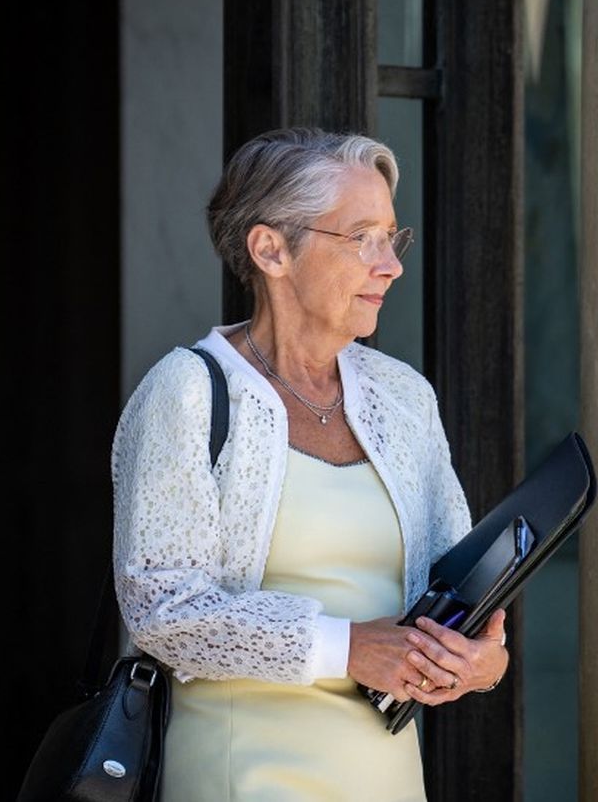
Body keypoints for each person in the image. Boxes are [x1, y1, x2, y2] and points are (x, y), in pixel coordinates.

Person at [111, 127, 508, 800]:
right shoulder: (186, 392)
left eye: (392, 238)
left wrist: (482, 661)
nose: (391, 265)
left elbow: (460, 588)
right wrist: (348, 648)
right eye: (362, 238)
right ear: (271, 250)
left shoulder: (403, 398)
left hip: (386, 778)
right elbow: (161, 607)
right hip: (245, 774)